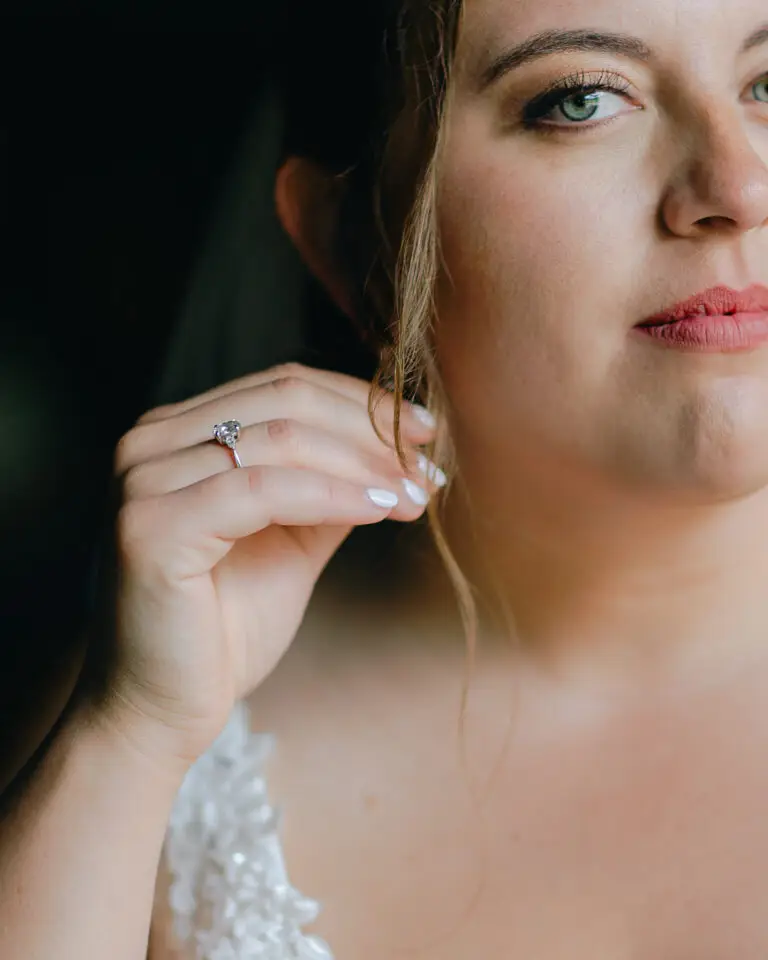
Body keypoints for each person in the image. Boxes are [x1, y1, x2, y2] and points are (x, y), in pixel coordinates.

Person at [3, 0, 768, 956]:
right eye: (578, 100)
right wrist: (132, 742)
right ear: (355, 243)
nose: (736, 183)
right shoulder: (157, 732)